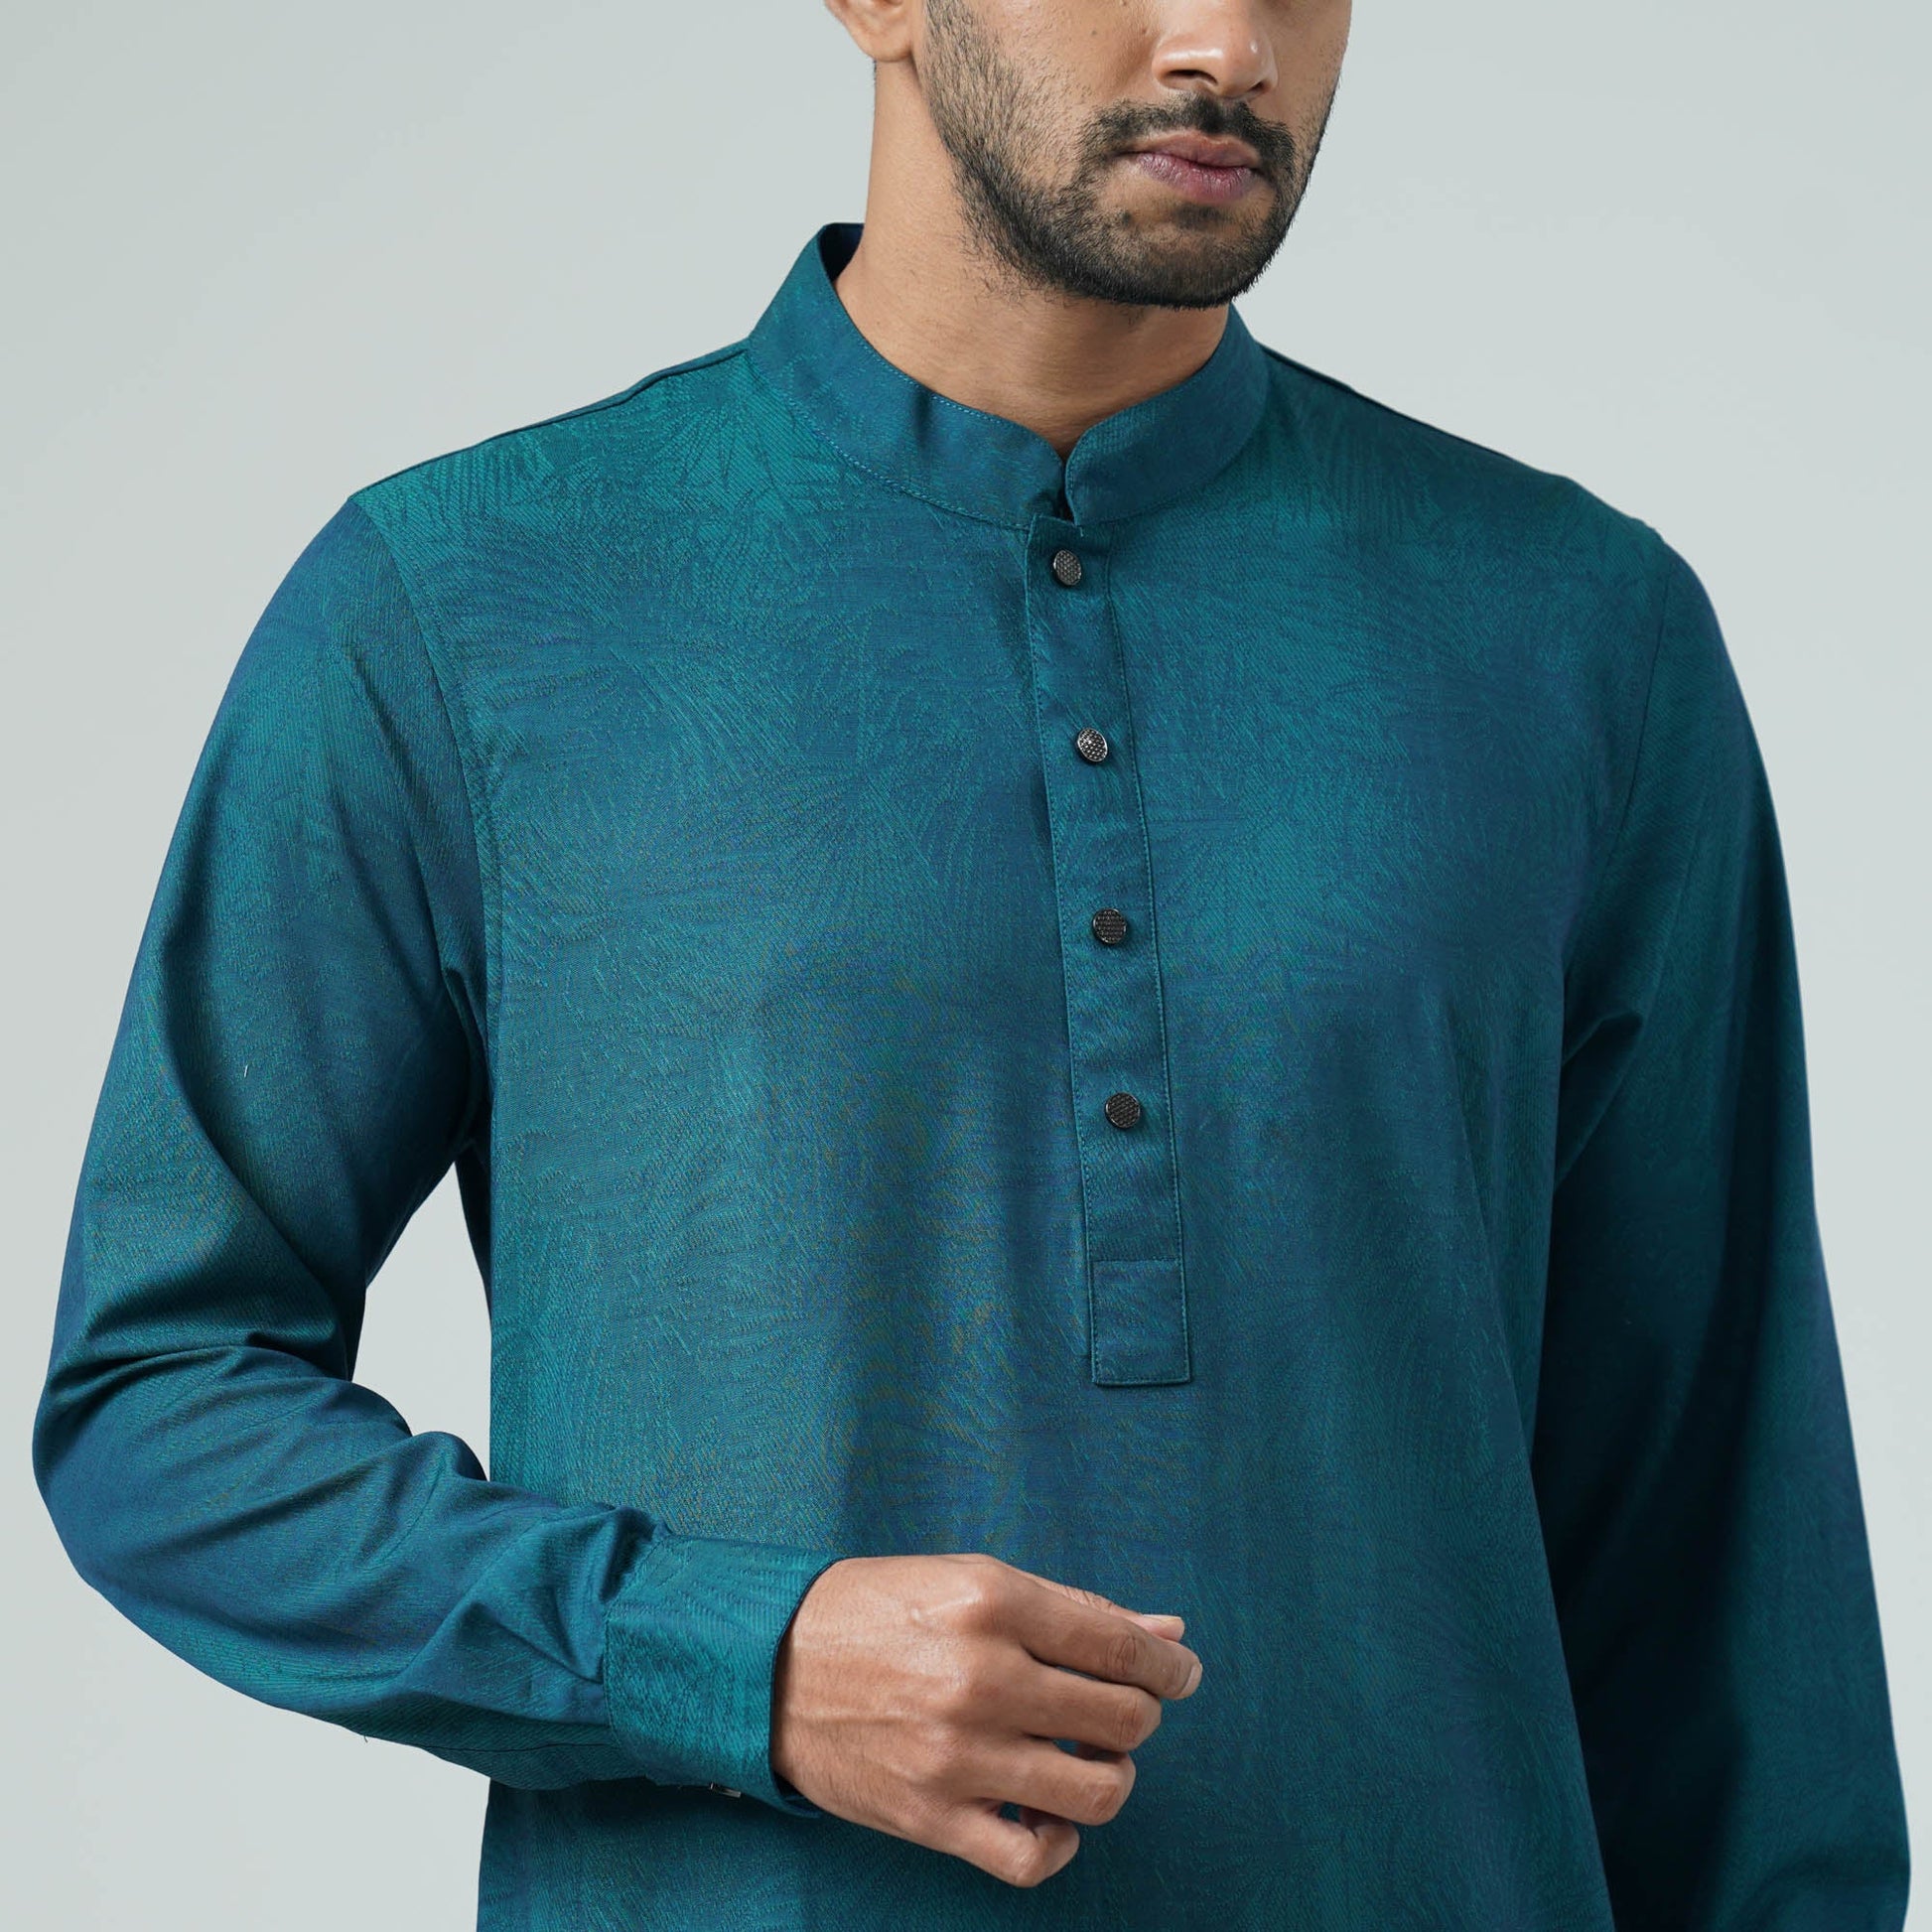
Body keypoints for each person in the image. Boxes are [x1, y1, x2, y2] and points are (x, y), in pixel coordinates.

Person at [33, 0, 1911, 1925]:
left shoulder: (1577, 637)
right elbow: (162, 1399)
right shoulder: (463, 605)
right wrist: (726, 1657)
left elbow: (1722, 1566)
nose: (1229, 45)